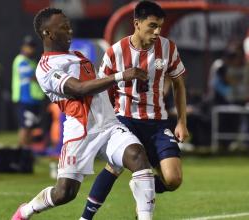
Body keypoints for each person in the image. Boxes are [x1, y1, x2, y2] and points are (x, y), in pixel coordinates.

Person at [11, 8, 155, 220]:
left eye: (69, 25)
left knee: (138, 156)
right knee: (64, 193)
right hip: (80, 133)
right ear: (47, 33)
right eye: (63, 27)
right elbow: (78, 89)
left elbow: (99, 87)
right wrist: (122, 75)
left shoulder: (77, 56)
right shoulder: (46, 67)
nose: (70, 30)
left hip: (109, 127)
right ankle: (26, 211)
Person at [80, 1, 189, 219]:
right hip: (125, 120)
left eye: (160, 26)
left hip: (157, 124)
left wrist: (182, 122)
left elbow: (178, 84)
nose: (157, 32)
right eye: (152, 26)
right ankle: (85, 217)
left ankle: (140, 188)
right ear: (136, 24)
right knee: (114, 167)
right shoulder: (115, 52)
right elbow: (102, 89)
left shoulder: (168, 48)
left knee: (173, 179)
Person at [11, 35, 45, 149]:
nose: (31, 49)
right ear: (23, 47)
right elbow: (33, 77)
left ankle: (27, 152)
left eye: (32, 47)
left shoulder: (31, 61)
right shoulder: (21, 60)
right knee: (25, 127)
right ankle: (22, 151)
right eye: (28, 46)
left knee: (30, 127)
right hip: (24, 99)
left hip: (33, 99)